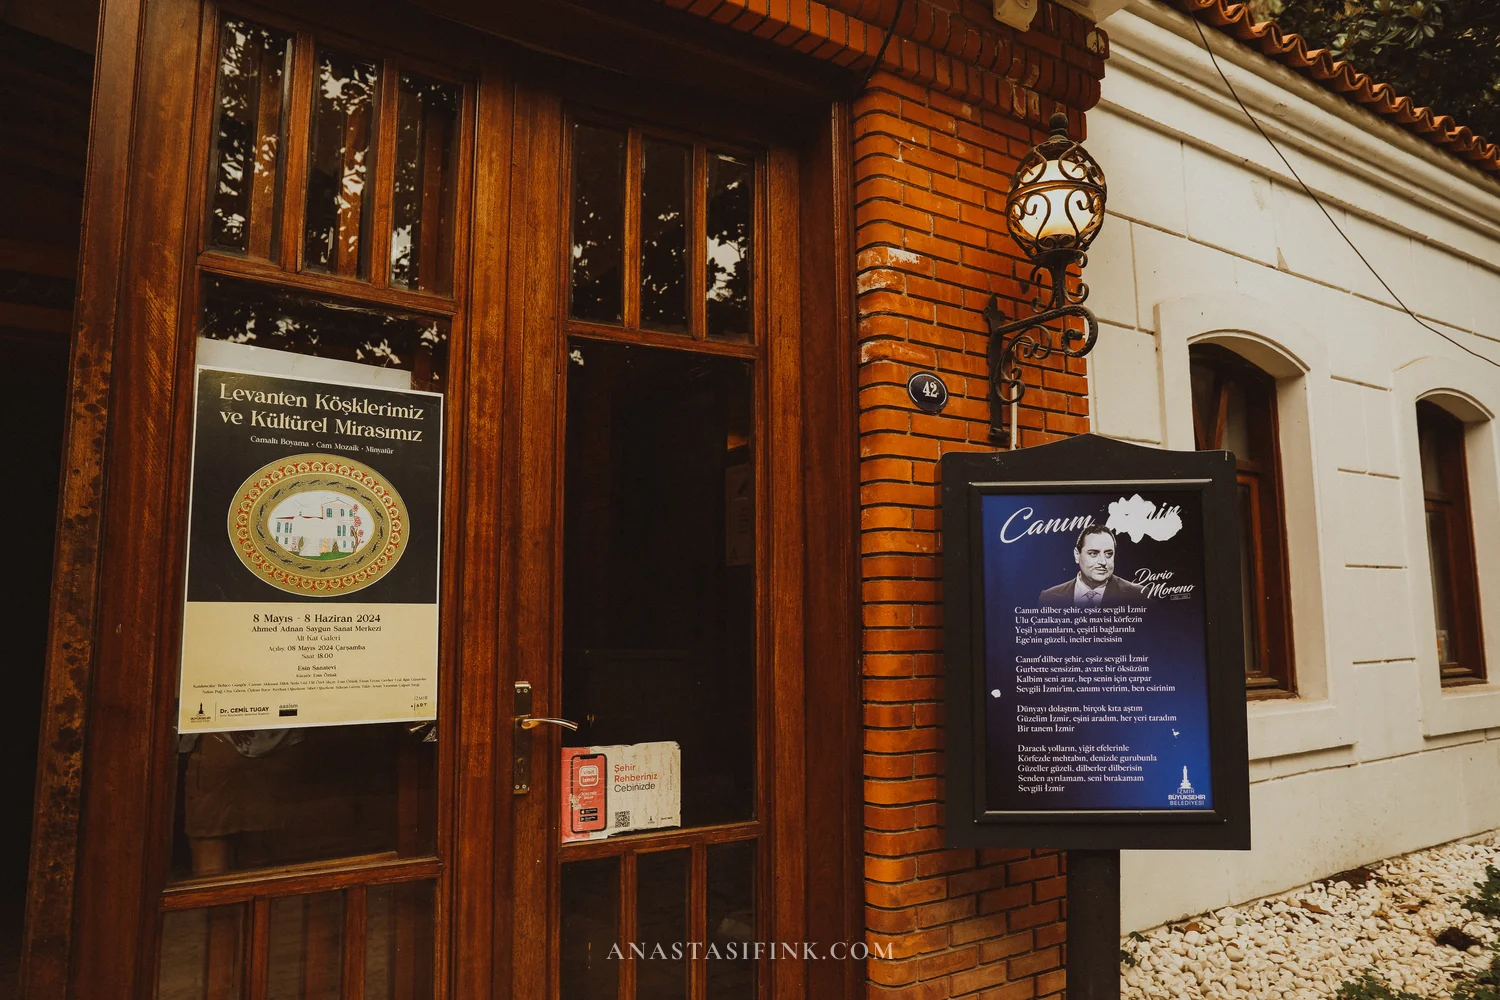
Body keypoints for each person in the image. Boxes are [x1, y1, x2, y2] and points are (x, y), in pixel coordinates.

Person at [1037, 524, 1146, 607]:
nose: (1103, 562)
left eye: (1109, 554)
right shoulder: (1048, 598)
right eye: (1093, 554)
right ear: (1077, 555)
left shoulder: (1139, 596)